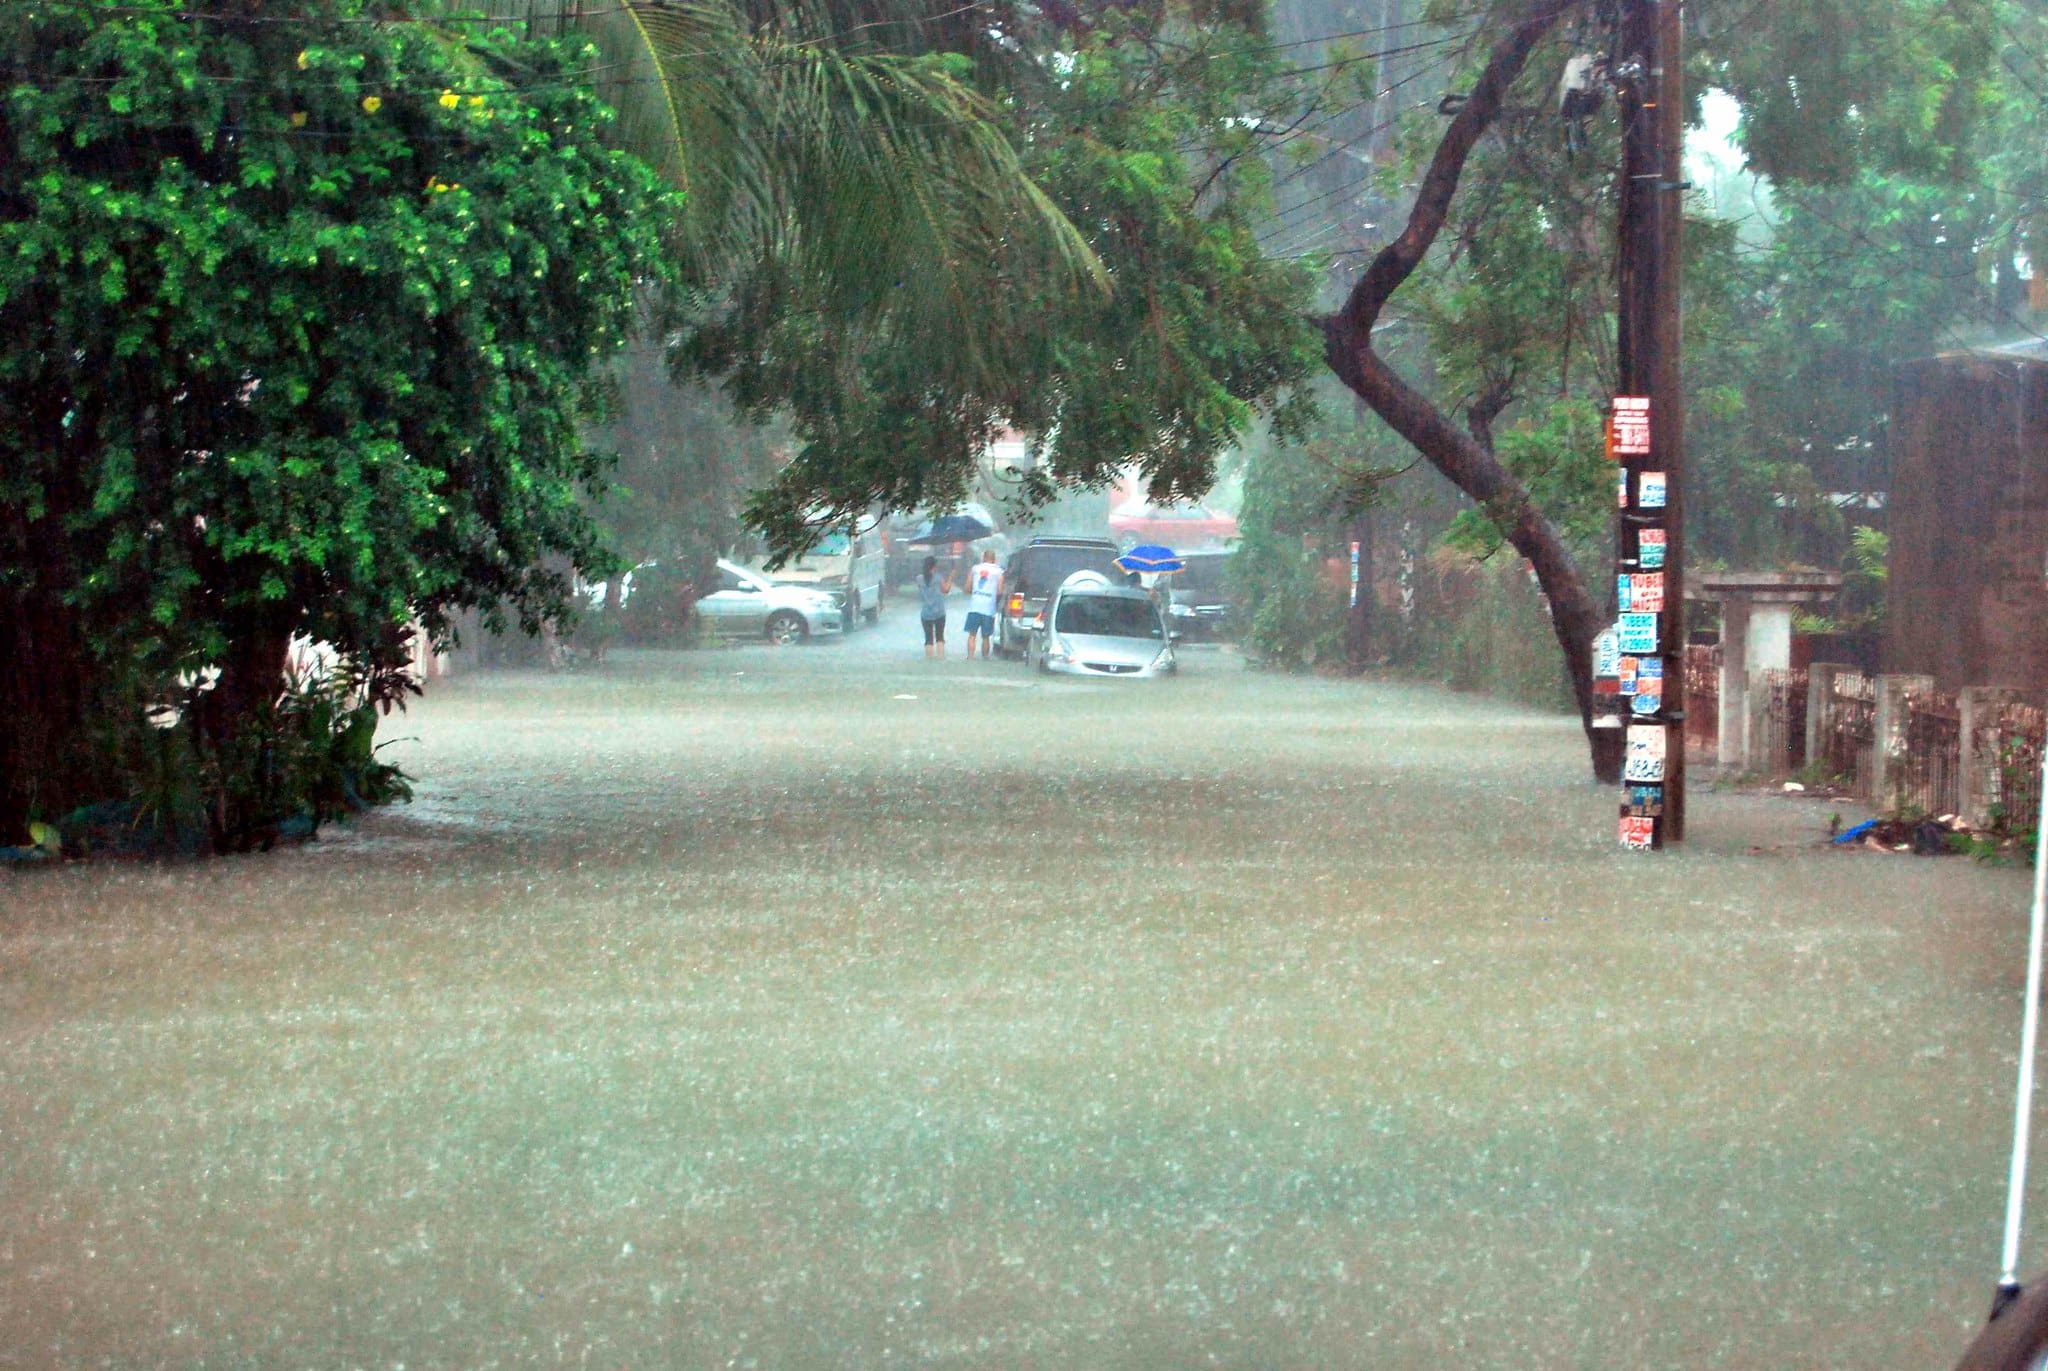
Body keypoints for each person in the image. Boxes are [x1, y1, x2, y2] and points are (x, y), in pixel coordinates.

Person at [962, 550, 1003, 659]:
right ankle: (985, 658)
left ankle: (970, 657)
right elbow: (999, 591)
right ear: (994, 559)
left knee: (972, 635)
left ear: (983, 557)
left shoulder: (975, 569)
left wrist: (976, 592)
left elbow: (966, 588)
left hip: (975, 607)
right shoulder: (999, 571)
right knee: (986, 637)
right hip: (989, 608)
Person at [915, 554, 954, 659]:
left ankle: (929, 660)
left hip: (925, 613)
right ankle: (940, 659)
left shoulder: (919, 579)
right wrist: (951, 577)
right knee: (940, 637)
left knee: (928, 639)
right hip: (939, 612)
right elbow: (946, 590)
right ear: (934, 566)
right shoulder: (938, 578)